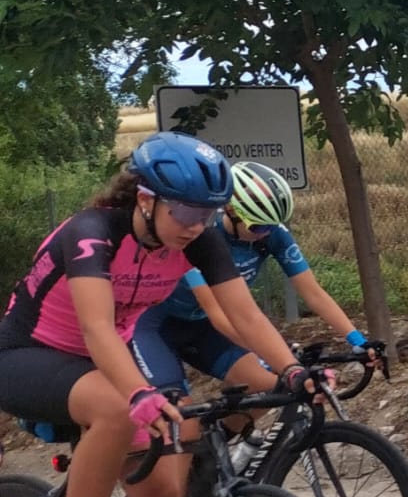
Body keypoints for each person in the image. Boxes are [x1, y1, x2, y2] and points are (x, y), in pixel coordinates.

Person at [0, 133, 320, 497]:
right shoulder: (91, 235)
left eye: (210, 213)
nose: (198, 223)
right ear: (145, 198)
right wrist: (140, 393)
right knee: (121, 408)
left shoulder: (194, 240)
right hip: (29, 355)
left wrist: (291, 369)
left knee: (166, 491)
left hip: (98, 364)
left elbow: (245, 317)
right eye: (187, 210)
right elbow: (98, 329)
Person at [131, 159, 376, 416]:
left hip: (202, 327)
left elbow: (314, 294)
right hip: (157, 326)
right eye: (259, 226)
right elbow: (218, 314)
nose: (266, 233)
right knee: (181, 422)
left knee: (278, 388)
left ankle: (232, 451)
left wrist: (358, 340)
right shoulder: (203, 240)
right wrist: (269, 355)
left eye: (272, 226)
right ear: (231, 211)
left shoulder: (272, 235)